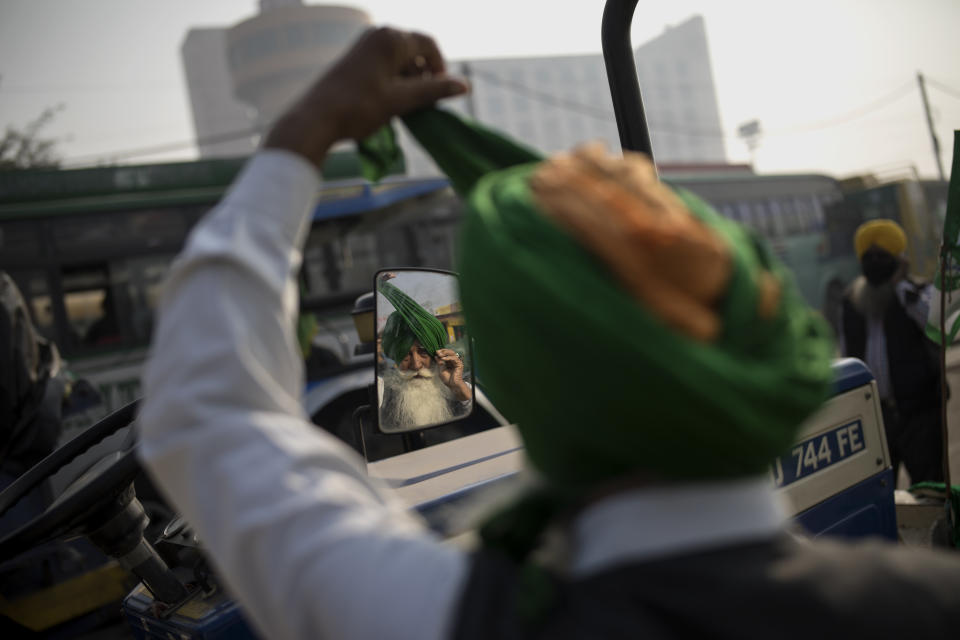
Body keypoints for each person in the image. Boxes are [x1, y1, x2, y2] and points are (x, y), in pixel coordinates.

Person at [138, 27, 960, 640]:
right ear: (760, 342)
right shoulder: (930, 605)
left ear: (521, 384)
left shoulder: (440, 614)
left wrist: (308, 126)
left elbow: (207, 410)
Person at [840, 219, 944, 483]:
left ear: (899, 260)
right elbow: (846, 353)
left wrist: (900, 285)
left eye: (882, 256)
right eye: (869, 256)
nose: (875, 262)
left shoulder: (917, 293)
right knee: (878, 492)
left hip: (918, 415)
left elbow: (936, 327)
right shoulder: (852, 302)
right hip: (873, 417)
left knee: (928, 490)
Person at [378, 275, 471, 431]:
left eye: (423, 352)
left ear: (436, 354)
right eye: (405, 355)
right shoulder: (382, 391)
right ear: (395, 358)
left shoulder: (461, 387)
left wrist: (458, 387)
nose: (416, 365)